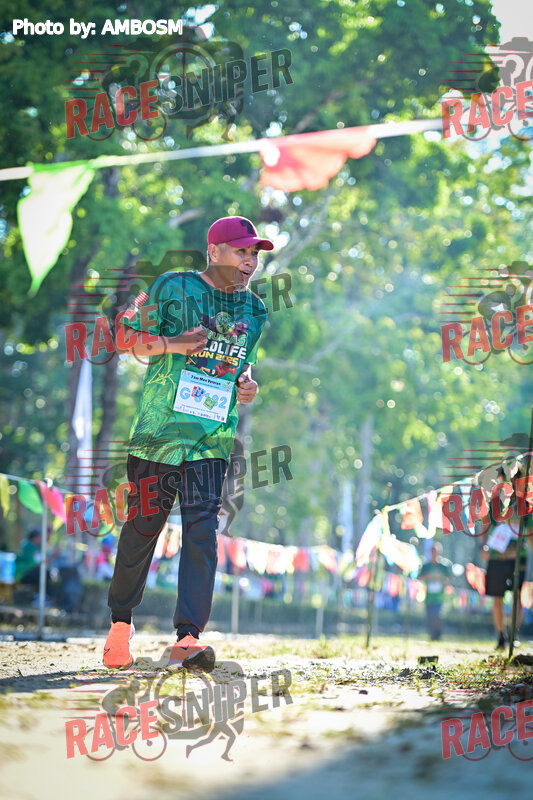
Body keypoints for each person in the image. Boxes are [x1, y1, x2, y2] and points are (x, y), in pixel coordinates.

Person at [103, 216, 273, 670]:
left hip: (212, 439)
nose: (250, 262)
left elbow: (243, 364)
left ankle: (188, 637)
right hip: (159, 434)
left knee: (202, 533)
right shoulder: (170, 285)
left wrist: (248, 384)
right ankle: (120, 624)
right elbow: (124, 336)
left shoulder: (256, 310)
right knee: (143, 528)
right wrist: (175, 344)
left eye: (254, 254)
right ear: (213, 251)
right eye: (242, 251)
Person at [479, 463, 533, 650]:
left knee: (517, 595)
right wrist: (483, 546)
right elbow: (485, 524)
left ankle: (513, 633)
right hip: (497, 557)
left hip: (518, 557)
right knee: (497, 596)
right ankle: (501, 635)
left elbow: (530, 531)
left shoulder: (526, 503)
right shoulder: (493, 500)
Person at [418, 542, 452, 641]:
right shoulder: (426, 566)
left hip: (439, 596)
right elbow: (419, 578)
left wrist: (440, 579)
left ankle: (438, 634)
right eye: (432, 551)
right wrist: (428, 577)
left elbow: (449, 579)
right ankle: (432, 635)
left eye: (435, 551)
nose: (434, 553)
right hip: (428, 596)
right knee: (429, 616)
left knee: (436, 615)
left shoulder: (444, 565)